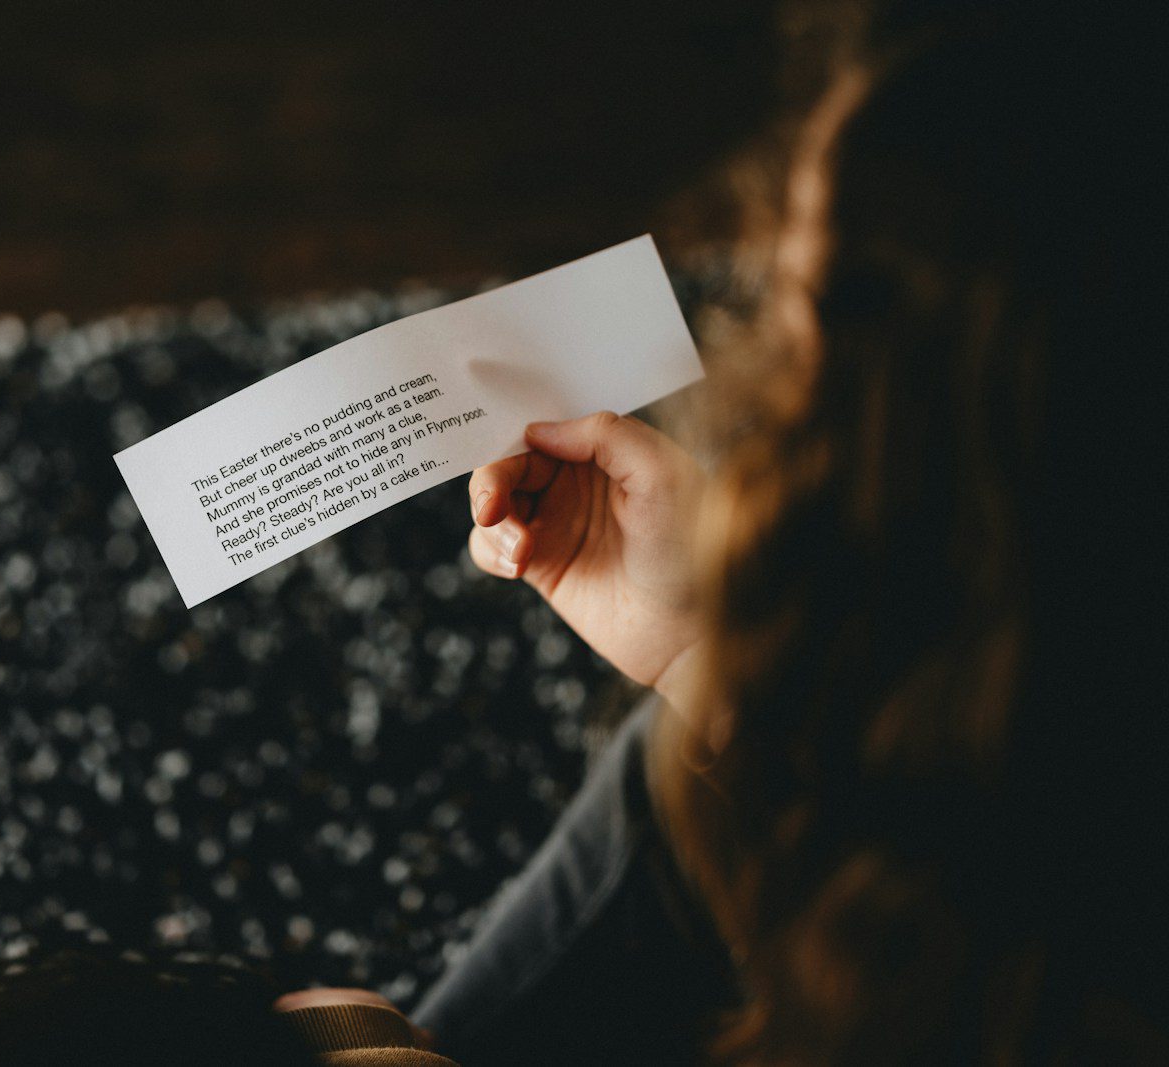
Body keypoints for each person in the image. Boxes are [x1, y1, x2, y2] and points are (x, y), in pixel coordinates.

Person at [398, 2, 1166, 1064]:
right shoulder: (1052, 706)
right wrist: (698, 665)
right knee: (679, 766)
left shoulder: (1056, 986)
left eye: (810, 326)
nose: (758, 399)